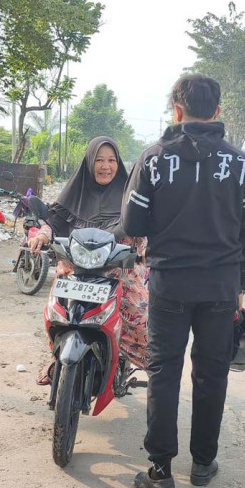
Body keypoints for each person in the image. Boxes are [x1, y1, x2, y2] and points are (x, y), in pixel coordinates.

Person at [121, 74, 245, 488]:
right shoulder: (242, 164)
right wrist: (241, 283)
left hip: (169, 282)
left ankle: (160, 472)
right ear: (217, 112)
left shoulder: (153, 158)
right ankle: (203, 463)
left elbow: (132, 223)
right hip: (220, 286)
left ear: (176, 110)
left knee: (164, 372)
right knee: (211, 373)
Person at [28, 136, 149, 383]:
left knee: (145, 321)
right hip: (79, 271)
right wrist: (42, 234)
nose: (106, 166)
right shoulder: (75, 193)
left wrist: (149, 246)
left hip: (119, 273)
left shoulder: (130, 197)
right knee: (56, 312)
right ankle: (57, 355)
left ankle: (158, 372)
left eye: (111, 160)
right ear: (89, 163)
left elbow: (145, 224)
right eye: (99, 160)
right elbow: (54, 222)